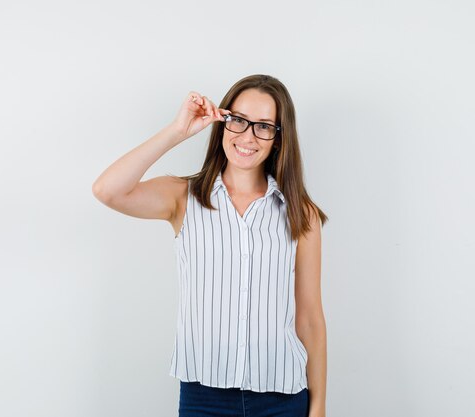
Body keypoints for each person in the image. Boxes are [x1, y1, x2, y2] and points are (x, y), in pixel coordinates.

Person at [92, 74, 328, 417]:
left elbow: (309, 318)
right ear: (223, 123)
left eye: (263, 126)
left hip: (283, 399)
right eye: (239, 121)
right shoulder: (183, 198)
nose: (248, 136)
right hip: (205, 400)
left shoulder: (300, 213)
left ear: (278, 138)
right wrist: (177, 130)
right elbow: (107, 190)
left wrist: (319, 406)